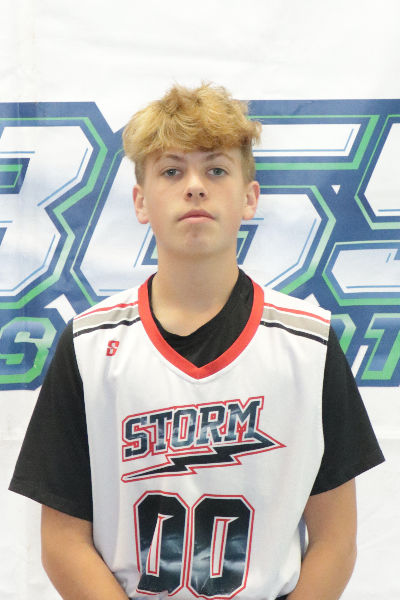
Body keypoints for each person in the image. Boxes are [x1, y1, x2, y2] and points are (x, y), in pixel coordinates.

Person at [10, 83, 384, 600]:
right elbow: (62, 539)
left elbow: (335, 540)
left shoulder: (309, 343)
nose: (194, 187)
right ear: (141, 202)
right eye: (171, 171)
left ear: (249, 197)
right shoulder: (90, 346)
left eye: (216, 170)